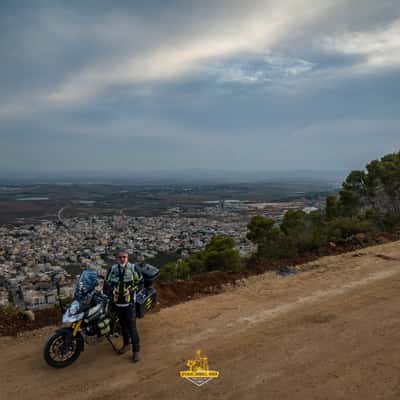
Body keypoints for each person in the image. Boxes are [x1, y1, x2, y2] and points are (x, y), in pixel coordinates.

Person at [105, 250, 143, 362]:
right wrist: (112, 290)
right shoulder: (112, 270)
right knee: (122, 326)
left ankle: (136, 351)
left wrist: (130, 291)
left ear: (127, 258)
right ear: (117, 258)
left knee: (132, 327)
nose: (122, 259)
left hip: (129, 303)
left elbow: (140, 283)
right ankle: (126, 345)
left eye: (124, 257)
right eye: (120, 257)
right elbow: (107, 283)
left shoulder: (133, 268)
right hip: (117, 303)